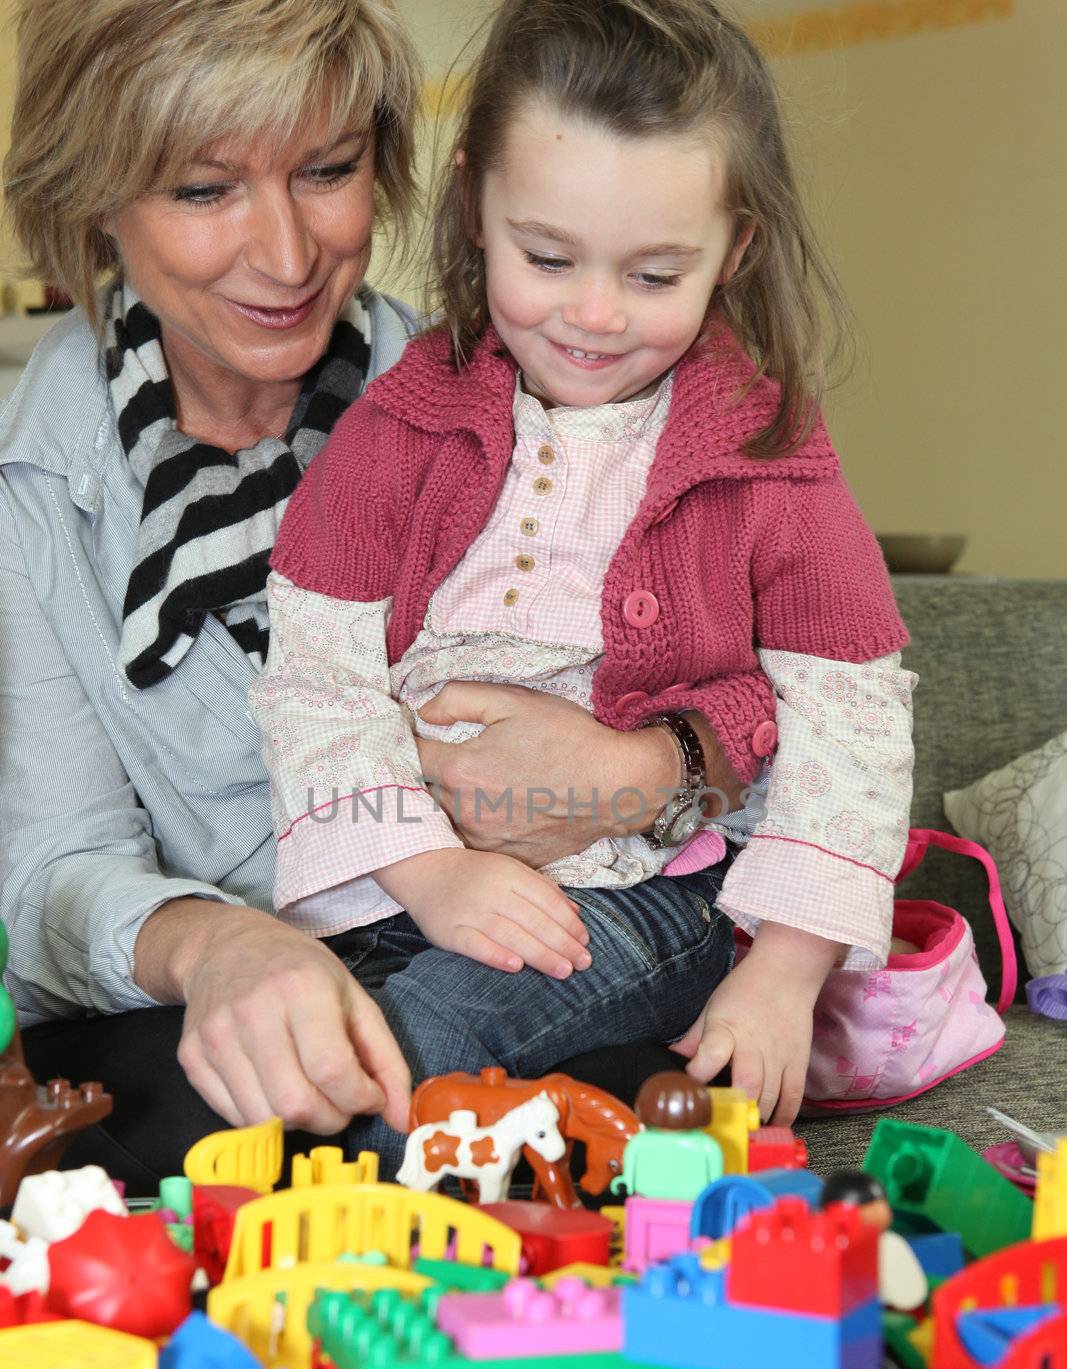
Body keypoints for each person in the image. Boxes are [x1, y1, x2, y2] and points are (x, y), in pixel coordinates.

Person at [0, 0, 742, 1188]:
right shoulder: (27, 488)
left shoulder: (550, 394)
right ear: (94, 195)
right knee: (162, 1110)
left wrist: (654, 769)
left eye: (327, 172)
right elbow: (48, 878)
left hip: (512, 968)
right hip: (209, 1017)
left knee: (609, 1079)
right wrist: (217, 943)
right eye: (203, 191)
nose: (287, 257)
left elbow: (799, 747)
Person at [252, 0, 917, 1175]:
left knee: (425, 1039)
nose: (594, 315)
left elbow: (852, 720)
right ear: (473, 209)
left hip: (649, 892)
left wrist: (784, 969)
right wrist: (431, 868)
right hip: (411, 871)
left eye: (655, 273)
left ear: (736, 251)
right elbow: (312, 672)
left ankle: (342, 1263)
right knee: (288, 1034)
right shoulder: (400, 424)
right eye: (546, 258)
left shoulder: (771, 458)